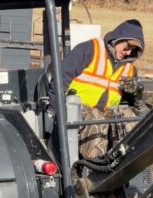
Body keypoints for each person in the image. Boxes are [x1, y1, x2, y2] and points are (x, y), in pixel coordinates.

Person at [51, 18, 145, 159]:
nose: (127, 53)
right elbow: (61, 76)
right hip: (75, 110)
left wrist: (135, 94)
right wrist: (54, 108)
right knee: (96, 118)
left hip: (106, 112)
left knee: (130, 117)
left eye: (132, 50)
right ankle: (93, 168)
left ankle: (126, 164)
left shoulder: (130, 69)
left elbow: (132, 105)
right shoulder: (90, 49)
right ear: (118, 38)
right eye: (127, 47)